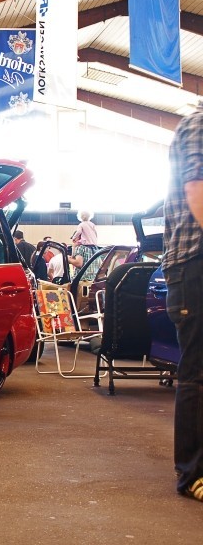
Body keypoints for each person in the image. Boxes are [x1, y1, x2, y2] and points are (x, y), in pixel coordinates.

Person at [162, 105, 203, 503]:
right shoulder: (199, 124)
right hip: (194, 263)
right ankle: (193, 473)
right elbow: (197, 189)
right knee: (198, 371)